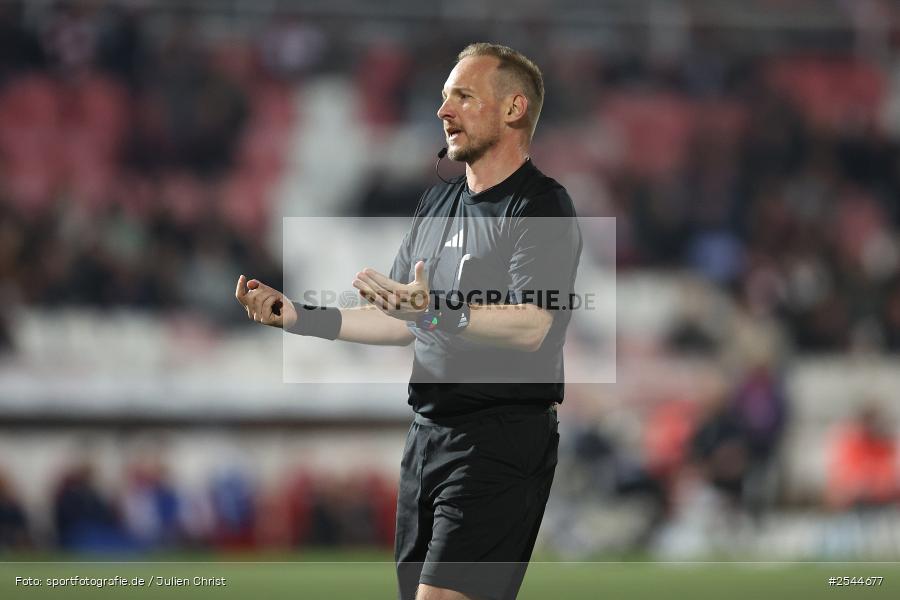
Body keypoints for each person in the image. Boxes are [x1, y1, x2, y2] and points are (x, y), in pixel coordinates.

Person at [236, 42, 581, 600]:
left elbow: (534, 324)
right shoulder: (436, 203)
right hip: (427, 438)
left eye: (464, 96)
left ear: (514, 108)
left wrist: (437, 312)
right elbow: (399, 321)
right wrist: (298, 317)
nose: (444, 111)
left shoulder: (541, 205)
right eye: (445, 97)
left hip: (500, 436)